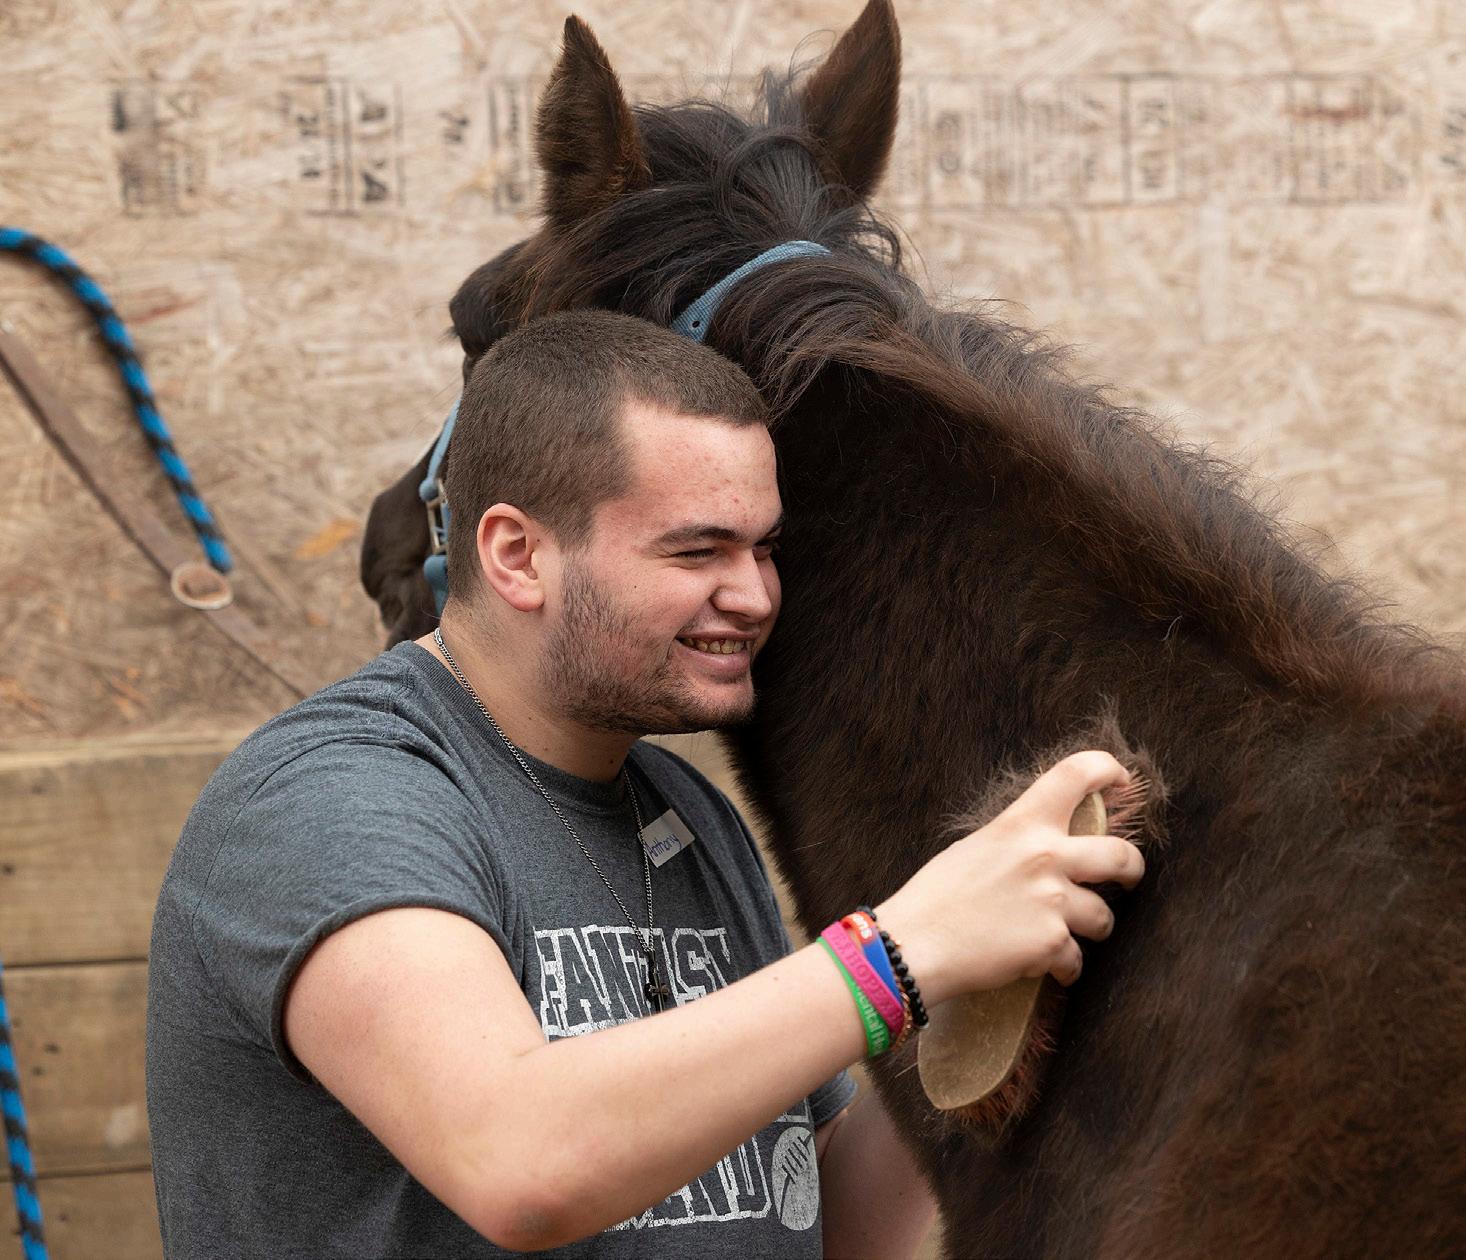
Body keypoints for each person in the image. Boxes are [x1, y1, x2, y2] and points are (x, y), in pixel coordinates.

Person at [145, 309, 1144, 1258]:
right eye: (696, 550)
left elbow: (817, 1229)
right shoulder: (330, 800)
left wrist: (974, 1000)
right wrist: (900, 954)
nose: (753, 596)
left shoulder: (682, 810)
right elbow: (516, 1159)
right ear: (517, 556)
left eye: (763, 548)